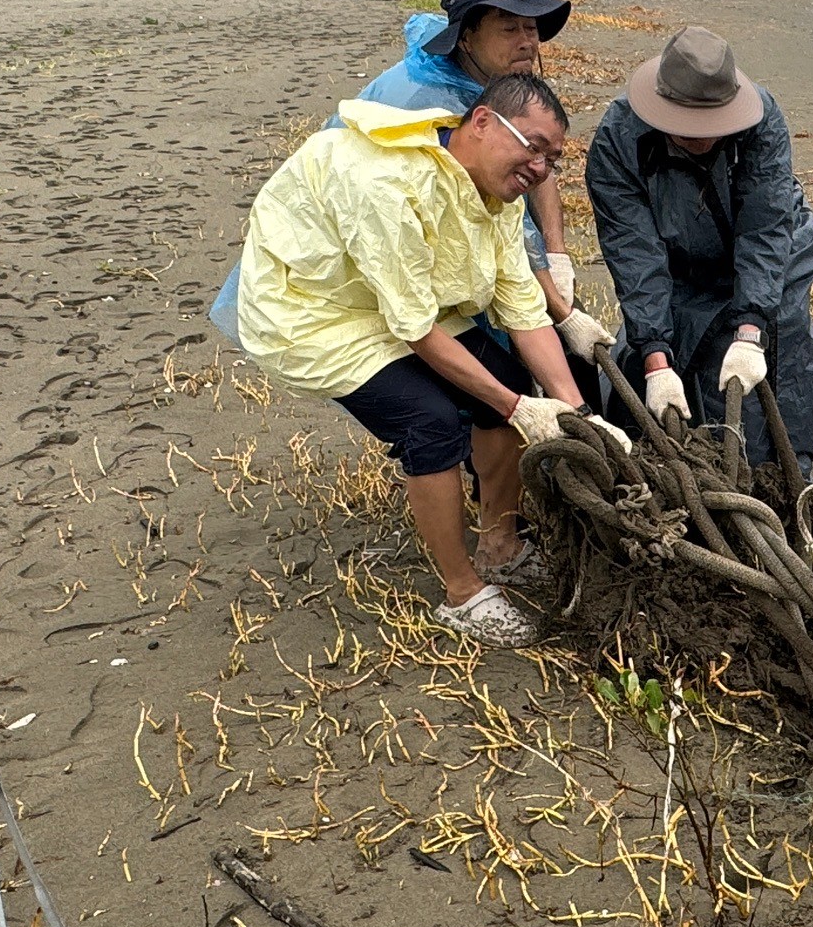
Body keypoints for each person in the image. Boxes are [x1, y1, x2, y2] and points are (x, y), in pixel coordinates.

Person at [232, 74, 624, 645]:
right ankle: (463, 593)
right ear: (484, 122)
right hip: (315, 313)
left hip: (393, 298)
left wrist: (576, 412)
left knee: (510, 376)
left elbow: (522, 309)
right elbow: (415, 330)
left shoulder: (497, 191)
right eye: (533, 146)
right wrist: (519, 410)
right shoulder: (385, 184)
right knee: (431, 422)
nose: (540, 168)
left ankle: (500, 545)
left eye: (553, 158)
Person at [585, 26, 813, 471]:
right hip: (677, 256)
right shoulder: (618, 138)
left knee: (776, 367)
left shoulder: (763, 120)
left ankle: (786, 475)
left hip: (774, 254)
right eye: (687, 129)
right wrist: (656, 361)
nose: (702, 139)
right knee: (656, 361)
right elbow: (633, 250)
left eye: (713, 127)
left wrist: (750, 330)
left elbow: (765, 226)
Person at [333, 0, 582, 360]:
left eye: (531, 28)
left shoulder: (504, 78)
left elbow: (537, 159)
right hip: (393, 247)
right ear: (466, 39)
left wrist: (556, 253)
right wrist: (556, 306)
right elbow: (487, 213)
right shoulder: (430, 105)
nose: (526, 42)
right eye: (509, 28)